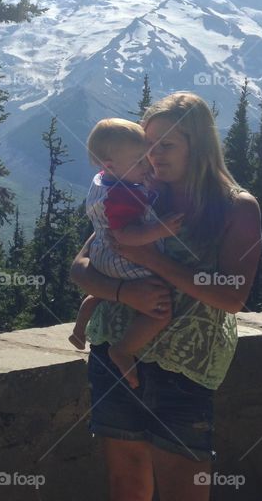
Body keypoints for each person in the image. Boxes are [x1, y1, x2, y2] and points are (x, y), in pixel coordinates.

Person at [69, 91, 262, 501]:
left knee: (183, 491)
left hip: (184, 368)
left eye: (167, 144)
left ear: (200, 144)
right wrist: (125, 291)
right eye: (149, 144)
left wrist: (151, 260)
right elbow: (80, 268)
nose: (154, 155)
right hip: (113, 354)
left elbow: (233, 297)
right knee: (127, 486)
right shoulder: (134, 191)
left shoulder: (236, 208)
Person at [67, 118, 184, 392]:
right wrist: (160, 230)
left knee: (104, 289)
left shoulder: (105, 180)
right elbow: (125, 236)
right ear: (110, 165)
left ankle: (83, 318)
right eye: (139, 161)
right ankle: (123, 349)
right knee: (160, 307)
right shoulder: (122, 195)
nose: (148, 166)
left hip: (101, 255)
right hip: (122, 257)